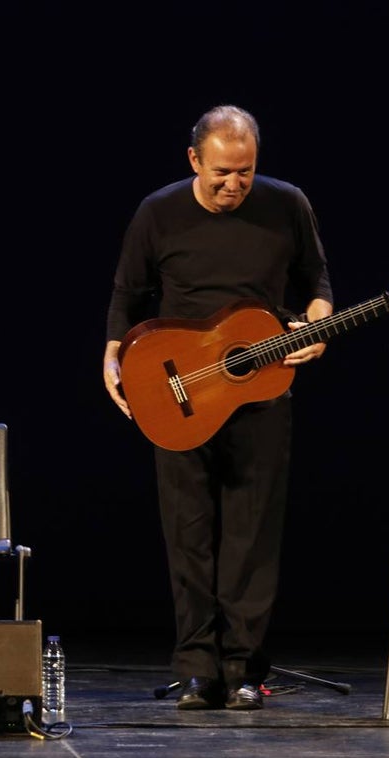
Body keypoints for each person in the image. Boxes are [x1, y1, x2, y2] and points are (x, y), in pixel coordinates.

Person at [102, 104, 334, 711]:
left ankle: (243, 672)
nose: (234, 184)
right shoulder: (159, 212)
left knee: (252, 536)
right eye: (221, 173)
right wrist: (111, 359)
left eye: (246, 173)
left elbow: (316, 282)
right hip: (179, 391)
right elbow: (127, 295)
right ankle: (197, 668)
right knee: (189, 533)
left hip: (262, 390)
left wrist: (319, 323)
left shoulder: (288, 204)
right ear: (194, 160)